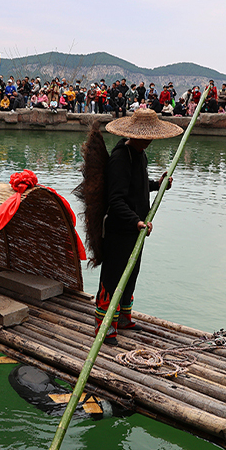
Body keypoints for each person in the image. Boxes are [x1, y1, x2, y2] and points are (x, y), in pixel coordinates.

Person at [75, 109, 182, 346]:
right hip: (119, 229)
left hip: (136, 229)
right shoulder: (121, 157)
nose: (151, 141)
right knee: (113, 277)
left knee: (131, 273)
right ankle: (104, 326)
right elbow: (116, 199)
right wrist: (136, 221)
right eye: (147, 137)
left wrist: (158, 184)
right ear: (135, 136)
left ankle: (123, 318)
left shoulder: (139, 154)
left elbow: (138, 185)